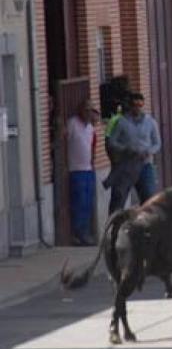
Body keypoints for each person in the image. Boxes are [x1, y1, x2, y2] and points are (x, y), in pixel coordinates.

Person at [105, 93, 161, 213]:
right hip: (127, 165)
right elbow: (112, 142)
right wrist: (125, 148)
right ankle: (114, 225)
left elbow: (157, 143)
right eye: (135, 105)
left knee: (149, 198)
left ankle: (147, 226)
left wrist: (148, 152)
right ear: (130, 106)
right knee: (119, 198)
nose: (138, 108)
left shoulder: (150, 122)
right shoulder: (122, 122)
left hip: (144, 165)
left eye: (140, 105)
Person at [66, 98, 98, 245]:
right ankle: (78, 233)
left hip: (88, 169)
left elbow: (93, 145)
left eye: (90, 110)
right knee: (79, 202)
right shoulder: (72, 123)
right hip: (76, 169)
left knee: (88, 202)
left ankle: (85, 232)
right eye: (86, 110)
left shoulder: (91, 127)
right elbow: (62, 140)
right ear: (81, 111)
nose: (88, 113)